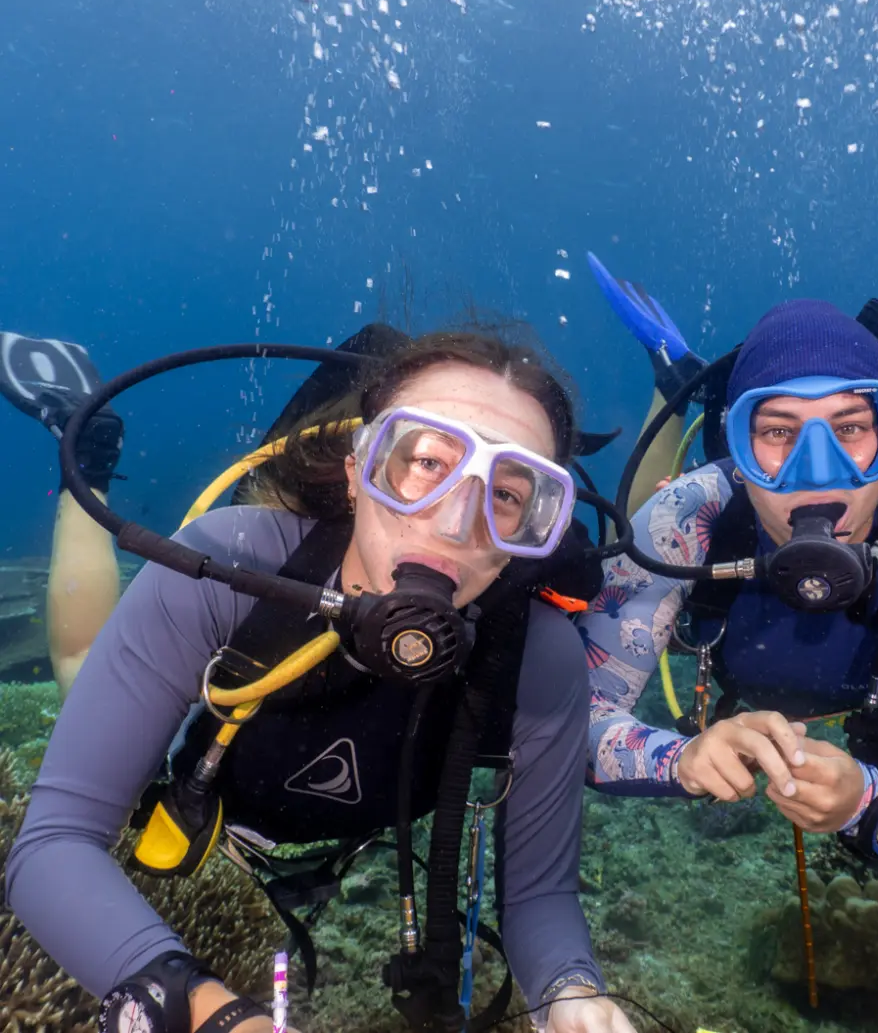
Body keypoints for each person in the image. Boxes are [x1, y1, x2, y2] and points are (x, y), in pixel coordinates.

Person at [2, 327, 639, 1033]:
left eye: (511, 494)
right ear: (358, 466)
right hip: (198, 782)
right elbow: (53, 843)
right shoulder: (224, 568)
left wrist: (572, 993)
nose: (457, 522)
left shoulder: (538, 659)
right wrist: (210, 1011)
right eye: (427, 459)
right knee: (78, 663)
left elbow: (540, 894)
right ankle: (87, 450)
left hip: (320, 826)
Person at [578, 283, 878, 868]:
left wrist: (871, 801)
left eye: (849, 429)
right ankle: (674, 378)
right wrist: (682, 760)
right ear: (738, 452)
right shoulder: (690, 515)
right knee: (640, 523)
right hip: (688, 531)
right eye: (777, 432)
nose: (818, 474)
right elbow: (576, 721)